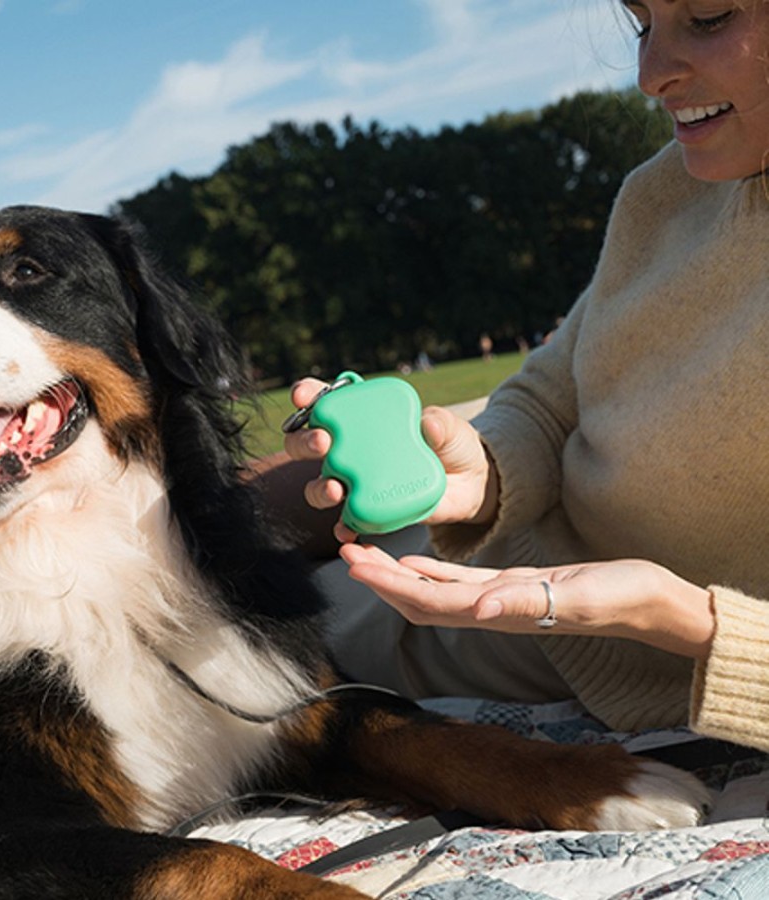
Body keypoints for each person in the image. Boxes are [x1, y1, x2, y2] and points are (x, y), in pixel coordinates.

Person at [278, 0, 769, 753]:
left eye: (707, 16)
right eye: (643, 23)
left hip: (576, 629)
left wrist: (669, 617)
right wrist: (488, 474)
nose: (648, 77)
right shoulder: (666, 189)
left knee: (251, 625)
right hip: (514, 533)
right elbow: (555, 386)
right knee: (236, 499)